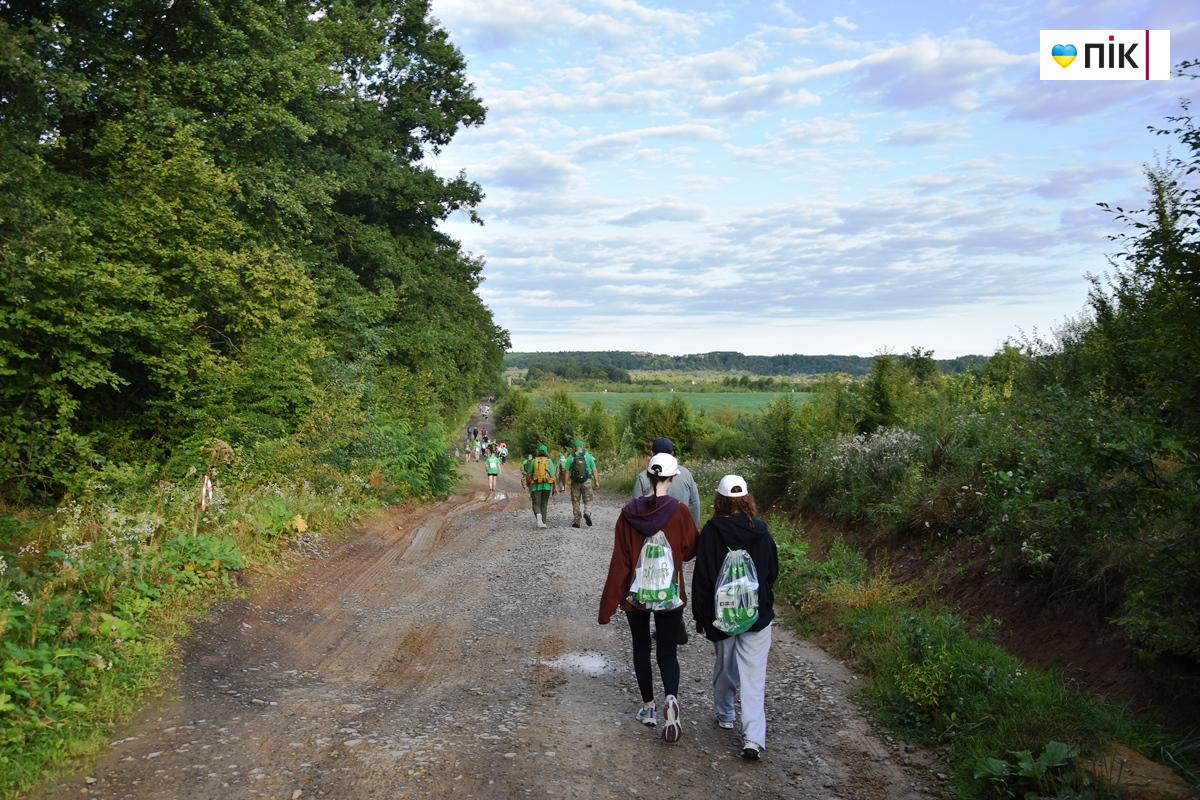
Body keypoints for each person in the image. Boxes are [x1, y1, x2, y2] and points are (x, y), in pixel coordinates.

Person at [599, 453, 698, 744]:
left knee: (641, 647)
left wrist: (608, 605)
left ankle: (648, 708)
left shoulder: (628, 513)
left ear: (647, 476)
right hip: (669, 594)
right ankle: (671, 699)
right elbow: (691, 547)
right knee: (667, 650)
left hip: (636, 595)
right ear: (673, 477)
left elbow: (621, 561)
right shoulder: (680, 512)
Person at [691, 475, 779, 761]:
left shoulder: (712, 532)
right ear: (746, 500)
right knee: (754, 677)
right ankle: (753, 738)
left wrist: (701, 616)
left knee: (725, 666)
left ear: (719, 500)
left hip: (723, 614)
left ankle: (726, 714)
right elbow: (771, 574)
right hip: (756, 615)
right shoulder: (763, 533)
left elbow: (703, 577)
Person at [632, 438, 701, 524]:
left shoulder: (642, 476)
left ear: (652, 453)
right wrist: (693, 527)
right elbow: (694, 504)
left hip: (651, 531)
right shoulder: (686, 473)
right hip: (680, 528)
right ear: (672, 454)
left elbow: (635, 509)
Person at [566, 439, 600, 528]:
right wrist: (596, 481)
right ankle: (587, 512)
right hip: (587, 482)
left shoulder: (571, 457)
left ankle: (577, 521)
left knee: (576, 501)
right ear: (582, 446)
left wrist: (565, 483)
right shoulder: (588, 457)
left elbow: (567, 471)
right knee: (587, 499)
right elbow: (594, 470)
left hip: (575, 483)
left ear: (574, 447)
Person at [522, 444, 556, 529]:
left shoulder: (534, 461)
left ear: (538, 452)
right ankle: (543, 522)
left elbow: (529, 474)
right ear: (546, 452)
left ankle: (538, 515)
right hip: (547, 486)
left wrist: (528, 484)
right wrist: (554, 488)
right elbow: (553, 476)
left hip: (535, 486)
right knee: (544, 504)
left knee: (536, 503)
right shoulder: (549, 461)